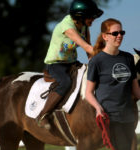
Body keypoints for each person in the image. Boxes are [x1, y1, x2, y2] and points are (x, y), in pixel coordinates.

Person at [37, 0, 103, 127]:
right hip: (56, 64)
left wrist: (94, 65)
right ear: (80, 17)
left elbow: (89, 50)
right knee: (65, 82)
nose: (93, 20)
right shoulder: (67, 27)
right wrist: (107, 55)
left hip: (72, 63)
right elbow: (87, 47)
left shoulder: (84, 27)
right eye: (90, 17)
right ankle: (43, 114)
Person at [86, 18, 140, 150]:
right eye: (115, 33)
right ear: (105, 36)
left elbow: (136, 89)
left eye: (122, 32)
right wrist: (98, 108)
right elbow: (88, 93)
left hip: (129, 116)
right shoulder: (97, 61)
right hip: (110, 117)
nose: (120, 36)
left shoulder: (128, 58)